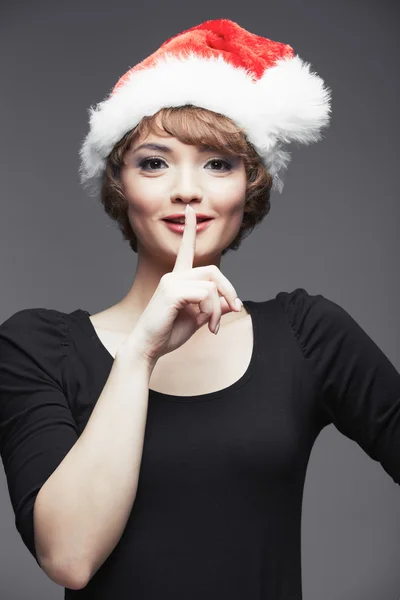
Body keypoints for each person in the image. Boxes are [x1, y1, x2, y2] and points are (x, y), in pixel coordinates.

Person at [0, 17, 399, 600]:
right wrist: (142, 351)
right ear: (121, 187)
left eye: (218, 163)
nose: (187, 190)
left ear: (249, 189)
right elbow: (69, 557)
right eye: (155, 162)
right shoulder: (35, 348)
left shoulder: (306, 334)